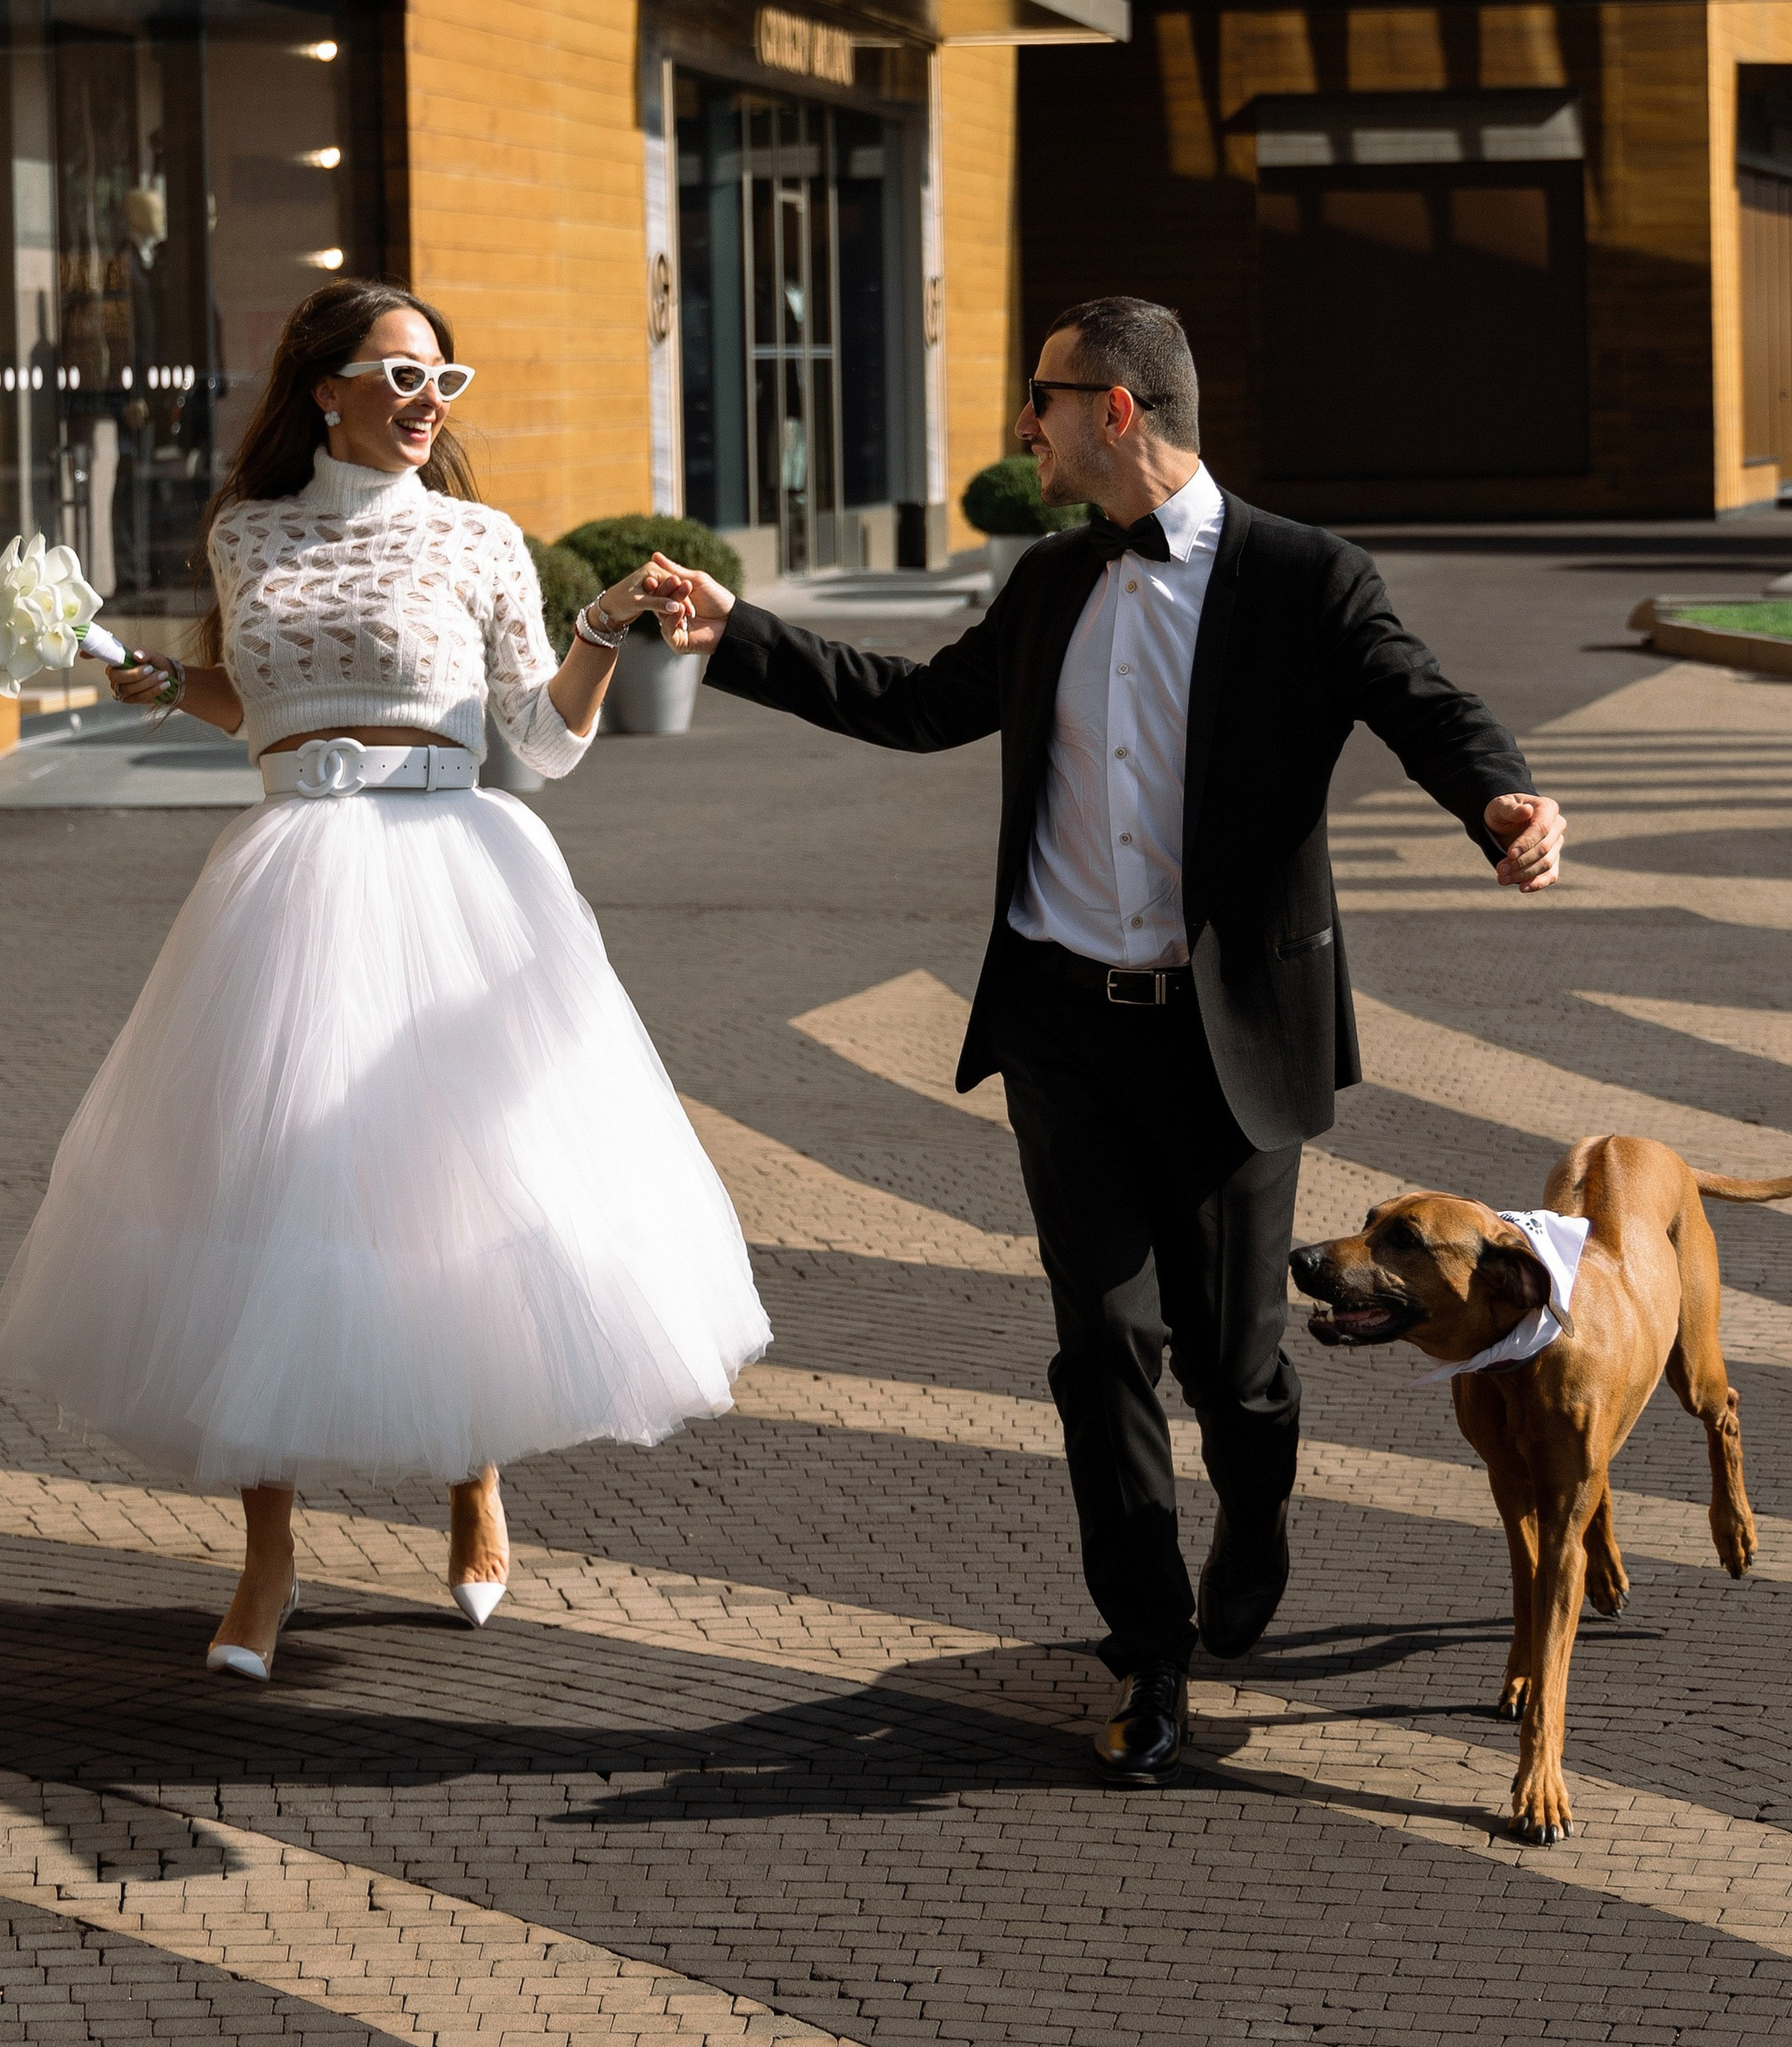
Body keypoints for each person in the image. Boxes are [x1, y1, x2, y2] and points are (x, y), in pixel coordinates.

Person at [650, 296, 1564, 1785]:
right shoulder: (1055, 579)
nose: (1029, 427)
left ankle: (1255, 1506)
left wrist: (1503, 801)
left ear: (1118, 410)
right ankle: (1147, 1656)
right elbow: (922, 702)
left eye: (1044, 398)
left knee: (1237, 1365)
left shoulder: (1305, 579)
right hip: (1065, 1026)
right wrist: (734, 632)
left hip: (1227, 1045)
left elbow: (1426, 701)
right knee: (1102, 1352)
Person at [0, 278, 769, 1681]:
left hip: (457, 869)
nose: (426, 404)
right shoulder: (247, 531)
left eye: (442, 382)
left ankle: (475, 1480)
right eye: (399, 376)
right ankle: (268, 1560)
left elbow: (544, 736)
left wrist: (600, 628)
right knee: (263, 1197)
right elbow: (252, 703)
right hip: (288, 878)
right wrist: (165, 683)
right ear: (323, 387)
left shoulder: (477, 540)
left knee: (461, 1187)